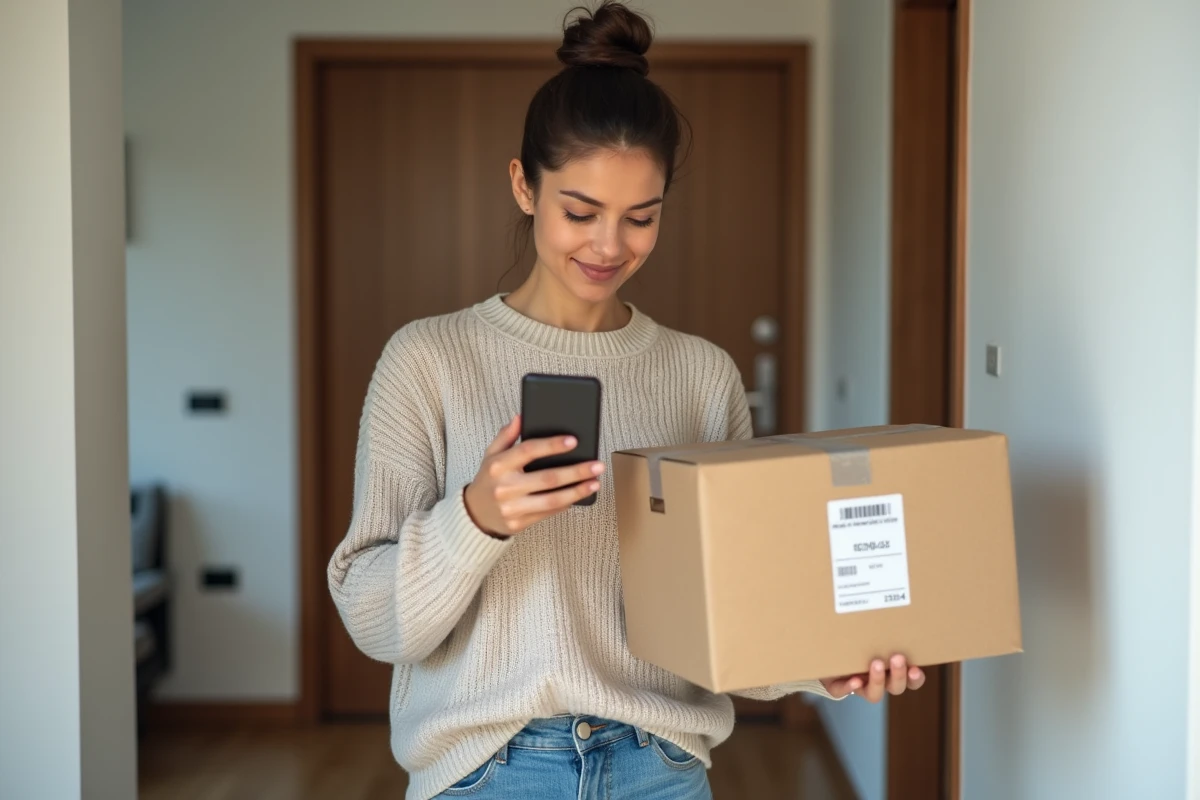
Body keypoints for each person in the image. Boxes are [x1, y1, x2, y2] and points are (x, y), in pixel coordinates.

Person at [327, 3, 925, 798]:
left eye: (641, 218)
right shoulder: (428, 361)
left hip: (660, 769)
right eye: (580, 212)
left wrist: (822, 666)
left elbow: (726, 615)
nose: (609, 246)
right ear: (524, 185)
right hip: (488, 773)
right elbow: (373, 619)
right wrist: (475, 517)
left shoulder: (701, 377)